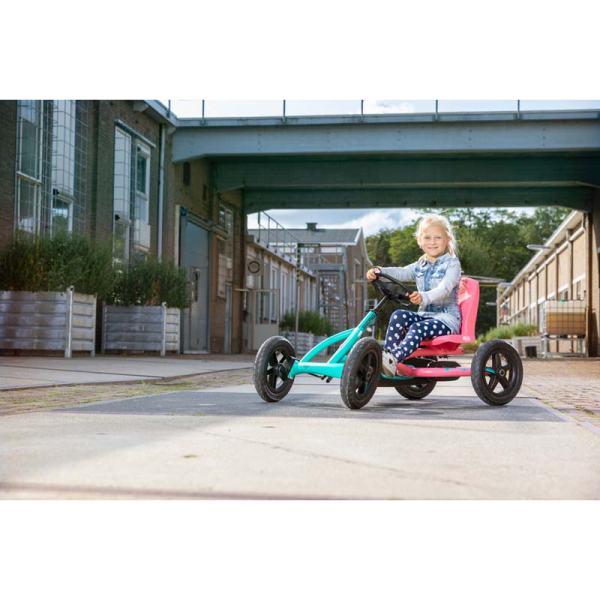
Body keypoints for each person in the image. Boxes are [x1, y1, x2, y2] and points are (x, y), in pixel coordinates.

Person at [366, 215, 463, 377]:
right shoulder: (420, 266)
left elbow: (445, 288)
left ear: (447, 239)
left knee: (417, 328)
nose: (432, 242)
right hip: (425, 316)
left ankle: (393, 359)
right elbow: (400, 272)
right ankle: (388, 357)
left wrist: (424, 297)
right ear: (420, 241)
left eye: (438, 237)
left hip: (445, 320)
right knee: (398, 315)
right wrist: (380, 271)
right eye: (427, 238)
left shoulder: (453, 264)